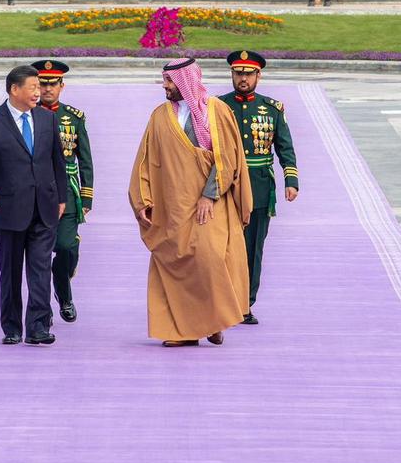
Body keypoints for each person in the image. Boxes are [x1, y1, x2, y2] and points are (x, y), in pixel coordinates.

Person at [128, 58, 253, 347]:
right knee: (173, 263)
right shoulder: (160, 115)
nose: (165, 86)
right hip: (172, 206)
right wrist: (143, 199)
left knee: (210, 259)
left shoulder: (216, 111)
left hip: (211, 202)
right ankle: (182, 332)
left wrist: (210, 195)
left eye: (169, 81)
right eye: (164, 80)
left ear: (185, 81)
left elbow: (228, 158)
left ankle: (213, 320)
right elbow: (145, 161)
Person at [0, 65, 67, 346]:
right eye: (33, 87)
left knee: (40, 269)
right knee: (11, 272)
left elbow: (57, 162)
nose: (39, 92)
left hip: (44, 207)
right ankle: (12, 327)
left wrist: (62, 197)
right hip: (9, 209)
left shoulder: (47, 120)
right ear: (15, 89)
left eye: (39, 87)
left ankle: (38, 326)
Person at [218, 51, 299, 325]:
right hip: (225, 189)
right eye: (238, 73)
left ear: (258, 76)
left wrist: (291, 179)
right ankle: (222, 301)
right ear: (232, 75)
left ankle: (244, 304)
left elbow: (284, 146)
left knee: (253, 248)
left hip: (259, 188)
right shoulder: (217, 106)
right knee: (223, 247)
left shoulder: (272, 109)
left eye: (248, 74)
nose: (243, 78)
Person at [33, 59, 94, 324]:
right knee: (40, 251)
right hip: (36, 191)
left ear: (62, 85)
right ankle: (52, 304)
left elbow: (85, 158)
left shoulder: (74, 117)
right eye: (43, 84)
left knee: (67, 247)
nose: (47, 89)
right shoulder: (28, 114)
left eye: (53, 84)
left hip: (67, 191)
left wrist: (87, 195)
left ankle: (62, 288)